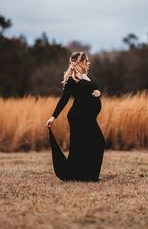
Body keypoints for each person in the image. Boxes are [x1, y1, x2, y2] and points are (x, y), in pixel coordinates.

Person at [45, 51, 106, 182]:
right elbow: (64, 99)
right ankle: (83, 175)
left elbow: (92, 91)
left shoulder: (85, 77)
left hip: (88, 118)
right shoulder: (73, 79)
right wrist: (53, 117)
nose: (89, 62)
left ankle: (87, 175)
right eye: (86, 60)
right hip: (78, 117)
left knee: (95, 144)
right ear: (79, 62)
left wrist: (98, 92)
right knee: (86, 145)